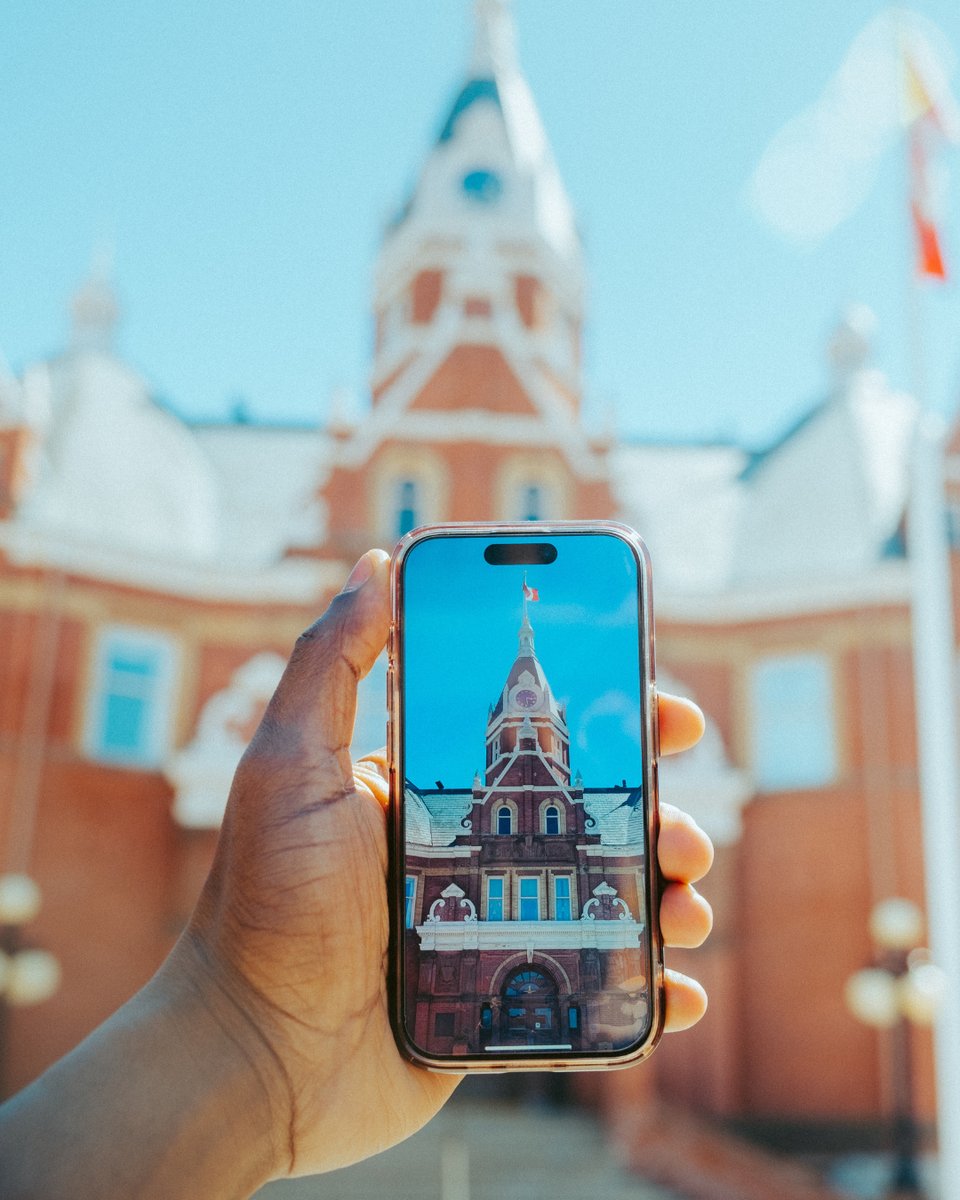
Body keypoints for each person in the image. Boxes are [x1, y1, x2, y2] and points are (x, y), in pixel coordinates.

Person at [0, 549, 715, 1199]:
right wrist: (246, 1031)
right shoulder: (453, 816)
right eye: (514, 737)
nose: (527, 750)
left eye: (537, 737)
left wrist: (241, 1052)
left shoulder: (586, 816)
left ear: (554, 739)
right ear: (496, 738)